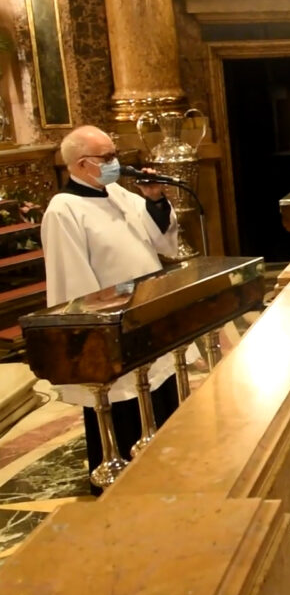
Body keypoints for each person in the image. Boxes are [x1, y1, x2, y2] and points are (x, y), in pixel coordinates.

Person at [41, 125, 187, 494]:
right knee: (122, 402)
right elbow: (72, 279)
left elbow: (160, 239)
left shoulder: (117, 193)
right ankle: (123, 485)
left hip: (145, 316)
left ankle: (164, 471)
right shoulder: (64, 211)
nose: (116, 163)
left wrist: (154, 200)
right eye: (107, 158)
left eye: (114, 154)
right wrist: (96, 329)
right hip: (110, 328)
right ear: (83, 163)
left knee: (158, 393)